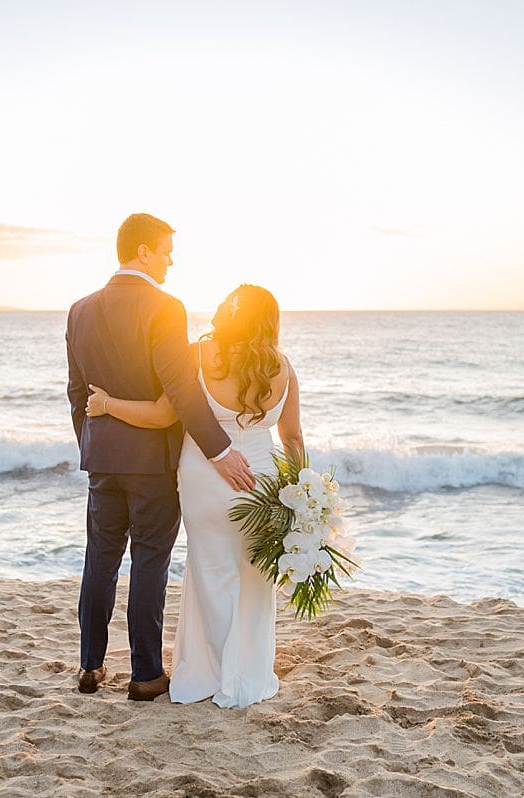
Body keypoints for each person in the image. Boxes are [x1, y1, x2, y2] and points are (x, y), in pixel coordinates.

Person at [64, 213, 256, 702]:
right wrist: (222, 450)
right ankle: (146, 674)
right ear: (144, 250)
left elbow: (75, 393)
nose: (172, 260)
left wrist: (92, 443)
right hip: (151, 462)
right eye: (167, 250)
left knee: (100, 559)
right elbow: (181, 389)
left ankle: (90, 665)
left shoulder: (79, 310)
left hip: (102, 459)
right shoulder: (165, 307)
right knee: (149, 562)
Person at [85, 283, 302, 708]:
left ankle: (207, 671)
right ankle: (247, 672)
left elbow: (164, 414)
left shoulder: (197, 356)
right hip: (263, 477)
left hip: (204, 476)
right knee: (254, 577)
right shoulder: (284, 368)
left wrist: (109, 405)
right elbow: (293, 438)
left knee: (210, 570)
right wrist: (298, 494)